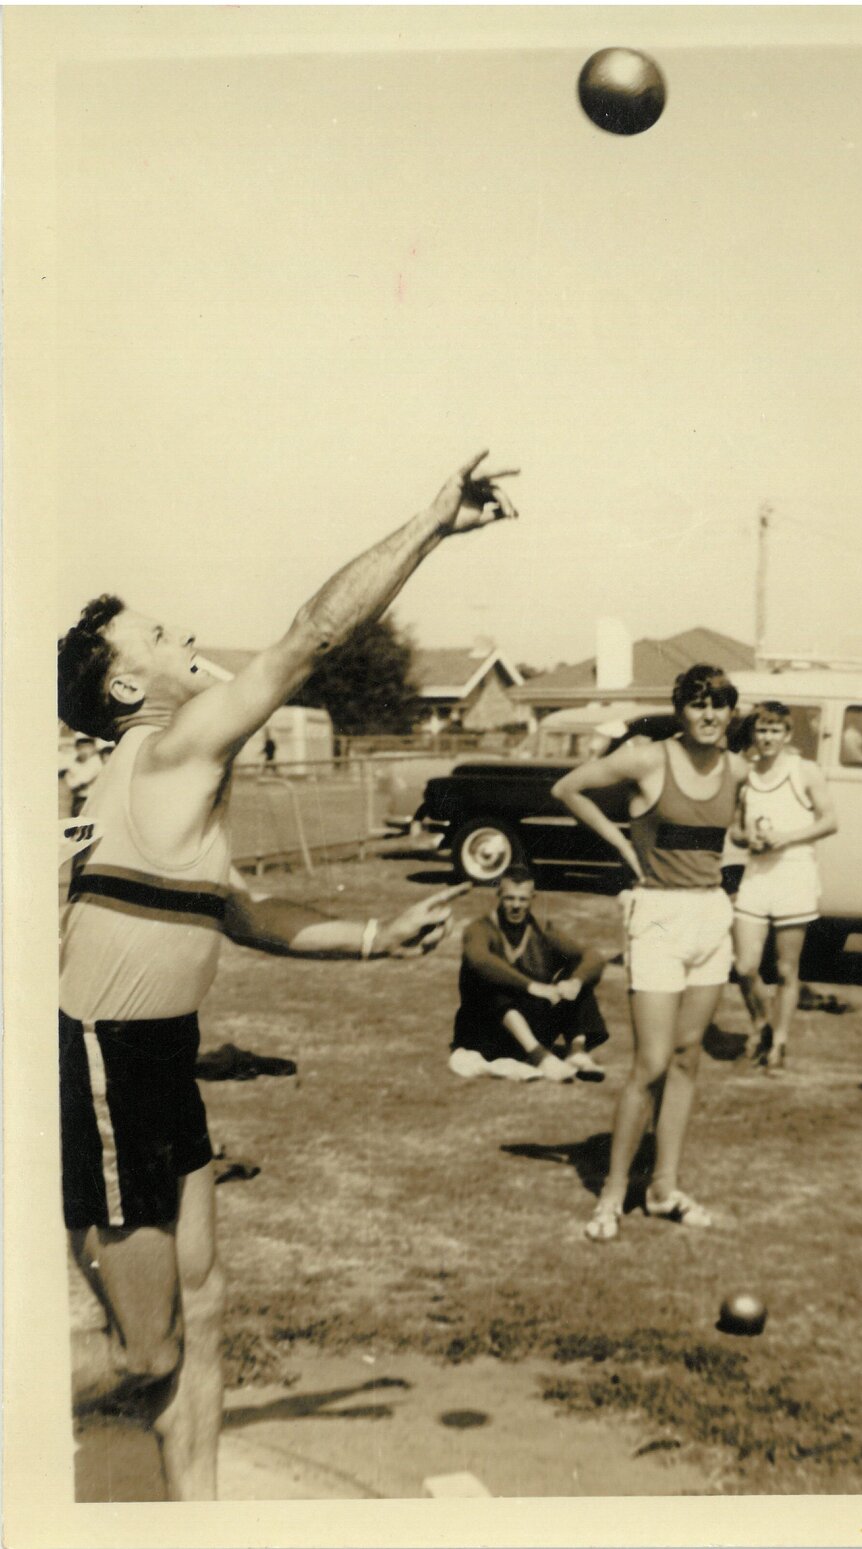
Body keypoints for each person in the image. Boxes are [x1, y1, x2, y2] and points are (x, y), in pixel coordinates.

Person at [56, 450, 518, 1499]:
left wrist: (368, 936)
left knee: (206, 1308)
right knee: (144, 1354)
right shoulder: (169, 746)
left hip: (159, 1057)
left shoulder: (174, 789)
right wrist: (428, 525)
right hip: (106, 1059)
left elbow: (237, 910)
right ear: (128, 686)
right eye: (163, 638)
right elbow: (313, 635)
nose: (187, 642)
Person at [553, 664, 744, 1241]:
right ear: (680, 710)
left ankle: (664, 1187)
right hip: (657, 918)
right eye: (697, 704)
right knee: (652, 1062)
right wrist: (620, 844)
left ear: (731, 712)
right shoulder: (647, 758)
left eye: (719, 705)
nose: (709, 715)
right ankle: (612, 1194)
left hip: (711, 916)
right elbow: (567, 788)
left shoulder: (737, 769)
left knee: (688, 1058)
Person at [730, 701, 838, 1074]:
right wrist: (751, 841)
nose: (767, 737)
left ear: (787, 735)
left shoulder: (804, 771)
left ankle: (778, 1043)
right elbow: (736, 831)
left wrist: (786, 838)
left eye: (775, 730)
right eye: (761, 730)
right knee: (744, 966)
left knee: (786, 969)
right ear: (754, 734)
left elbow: (830, 821)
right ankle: (762, 1023)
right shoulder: (745, 775)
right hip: (757, 876)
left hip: (794, 875)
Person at [450, 865, 609, 1083]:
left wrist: (575, 982)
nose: (516, 906)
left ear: (532, 899)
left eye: (523, 899)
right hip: (485, 1032)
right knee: (485, 977)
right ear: (498, 896)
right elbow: (478, 960)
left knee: (576, 972)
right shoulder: (480, 928)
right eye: (509, 898)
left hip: (530, 1026)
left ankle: (577, 1053)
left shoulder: (541, 930)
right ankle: (539, 1056)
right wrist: (531, 986)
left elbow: (593, 957)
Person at [62, 732, 105, 816]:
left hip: (92, 799)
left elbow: (78, 782)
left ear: (94, 747)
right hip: (78, 799)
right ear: (77, 748)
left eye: (88, 746)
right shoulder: (74, 762)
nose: (84, 750)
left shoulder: (96, 762)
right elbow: (70, 783)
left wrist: (74, 778)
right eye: (81, 746)